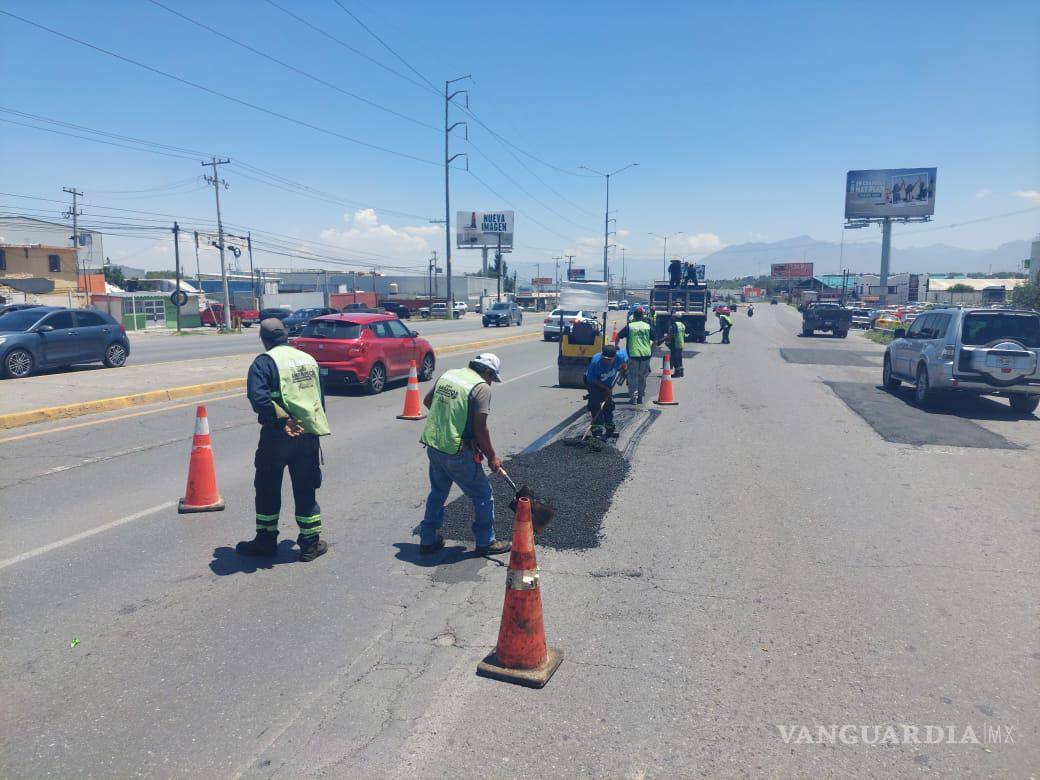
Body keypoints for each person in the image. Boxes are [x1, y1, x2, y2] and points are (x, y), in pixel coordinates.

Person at [237, 318, 330, 562]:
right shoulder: (308, 360)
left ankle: (266, 541)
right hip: (307, 433)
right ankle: (310, 544)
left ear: (263, 339)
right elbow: (318, 398)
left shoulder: (264, 363)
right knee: (305, 488)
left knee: (267, 487)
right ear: (287, 335)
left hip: (277, 436)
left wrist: (281, 421)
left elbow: (259, 399)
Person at [418, 353, 511, 557]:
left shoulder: (450, 375)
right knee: (483, 496)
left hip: (434, 446)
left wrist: (449, 423)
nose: (490, 383)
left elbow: (428, 401)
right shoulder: (481, 388)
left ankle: (427, 539)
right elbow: (481, 428)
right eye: (492, 378)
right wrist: (492, 457)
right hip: (457, 452)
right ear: (487, 371)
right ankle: (486, 542)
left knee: (438, 493)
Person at [585, 344, 628, 437]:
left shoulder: (620, 356)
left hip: (607, 384)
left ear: (614, 357)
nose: (607, 361)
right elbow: (591, 379)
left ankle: (609, 426)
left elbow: (627, 359)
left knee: (608, 404)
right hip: (593, 383)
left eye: (609, 359)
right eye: (605, 359)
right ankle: (597, 429)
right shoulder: (596, 362)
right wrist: (606, 388)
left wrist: (624, 366)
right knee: (595, 403)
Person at [615, 307, 653, 404]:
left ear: (634, 316)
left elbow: (618, 336)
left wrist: (616, 346)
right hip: (646, 355)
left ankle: (634, 398)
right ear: (643, 316)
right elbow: (656, 340)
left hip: (633, 355)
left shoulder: (630, 326)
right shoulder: (648, 326)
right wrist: (651, 351)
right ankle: (640, 396)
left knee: (632, 376)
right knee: (642, 376)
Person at [657, 312, 686, 377]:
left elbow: (671, 335)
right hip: (681, 343)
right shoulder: (682, 325)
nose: (672, 318)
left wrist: (662, 340)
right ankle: (681, 372)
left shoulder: (674, 325)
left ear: (675, 318)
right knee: (679, 358)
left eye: (673, 317)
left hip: (675, 343)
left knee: (675, 358)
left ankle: (677, 373)